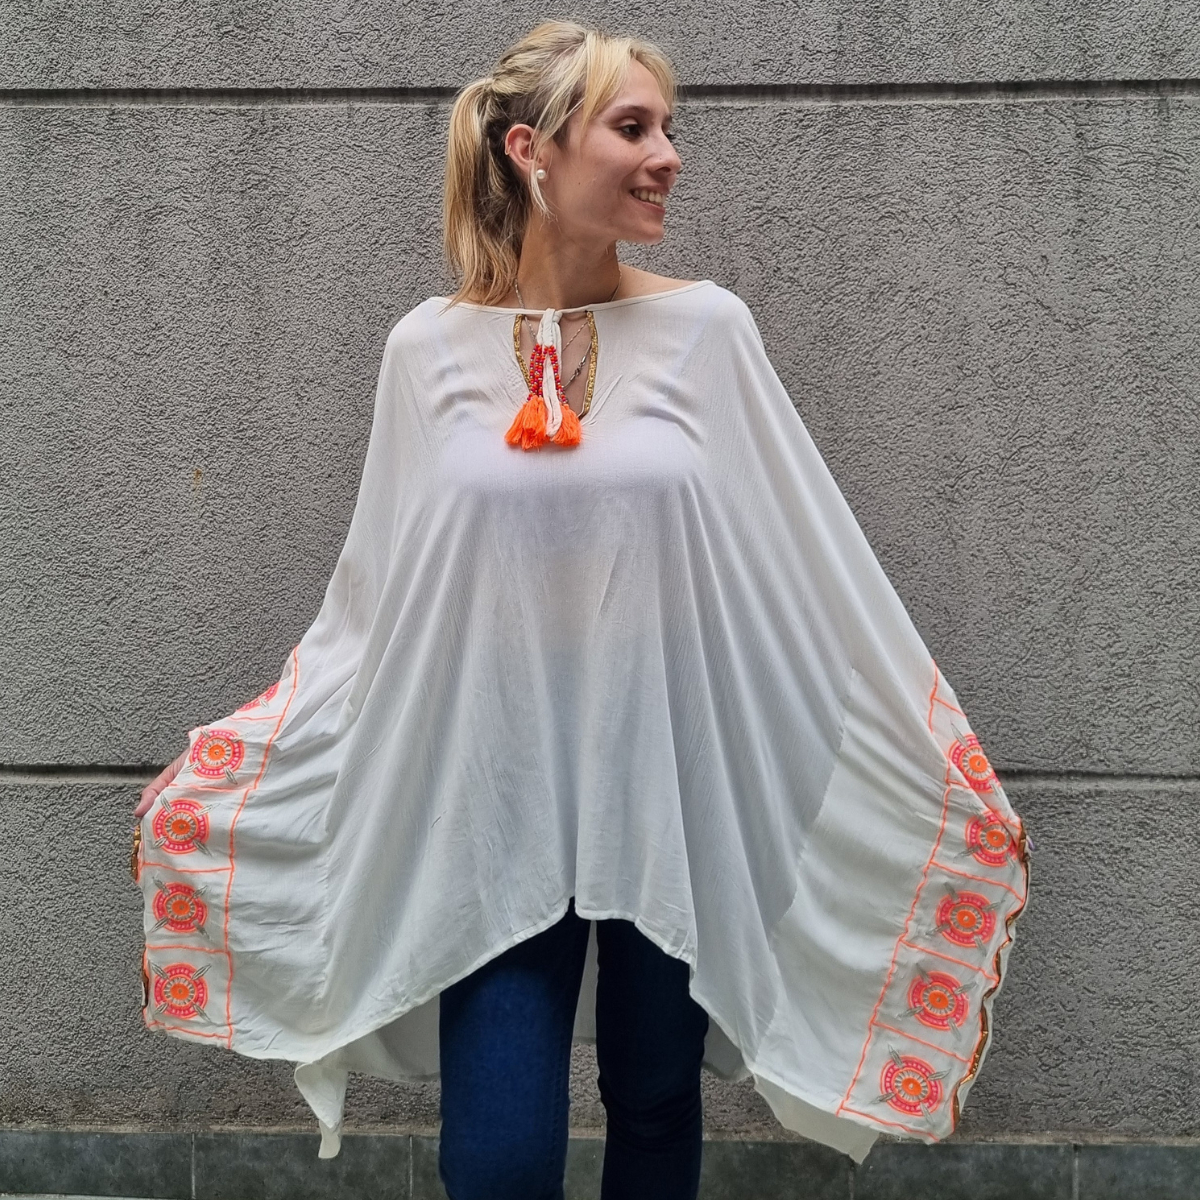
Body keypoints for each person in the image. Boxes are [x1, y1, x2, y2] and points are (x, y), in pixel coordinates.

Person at [133, 21, 1028, 1200]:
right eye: (632, 127)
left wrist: (924, 750)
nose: (668, 156)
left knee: (654, 1097)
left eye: (669, 129)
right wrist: (246, 755)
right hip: (491, 784)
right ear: (532, 150)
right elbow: (378, 599)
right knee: (498, 1153)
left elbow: (805, 560)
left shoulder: (710, 332)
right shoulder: (425, 351)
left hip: (670, 773)